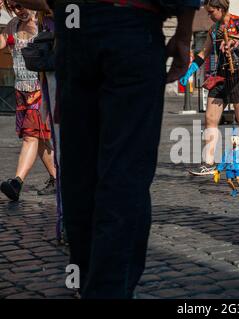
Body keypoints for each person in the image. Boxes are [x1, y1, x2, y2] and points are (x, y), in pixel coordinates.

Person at [22, 0, 200, 299]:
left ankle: (84, 276)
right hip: (132, 22)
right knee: (125, 169)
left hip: (75, 24)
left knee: (81, 167)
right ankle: (105, 288)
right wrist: (183, 33)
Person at [181, 0, 239, 177]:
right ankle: (208, 163)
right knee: (210, 119)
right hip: (220, 78)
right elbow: (203, 53)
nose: (209, 15)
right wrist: (190, 71)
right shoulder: (213, 30)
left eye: (211, 12)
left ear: (221, 9)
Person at [0, 0, 56, 202]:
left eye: (21, 4)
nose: (19, 9)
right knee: (39, 138)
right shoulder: (13, 25)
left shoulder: (40, 23)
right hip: (21, 91)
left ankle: (17, 182)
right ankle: (57, 178)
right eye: (14, 7)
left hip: (39, 89)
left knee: (31, 137)